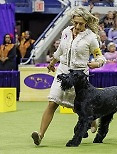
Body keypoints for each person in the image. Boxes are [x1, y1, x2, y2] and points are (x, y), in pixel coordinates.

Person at [31, 7, 106, 146]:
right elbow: (60, 50)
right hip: (62, 72)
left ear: (86, 23)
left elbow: (100, 56)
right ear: (72, 20)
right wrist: (53, 61)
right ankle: (40, 135)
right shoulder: (66, 32)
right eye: (75, 22)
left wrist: (98, 63)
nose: (77, 26)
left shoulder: (91, 38)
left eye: (81, 24)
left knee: (79, 108)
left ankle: (92, 119)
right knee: (52, 102)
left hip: (79, 77)